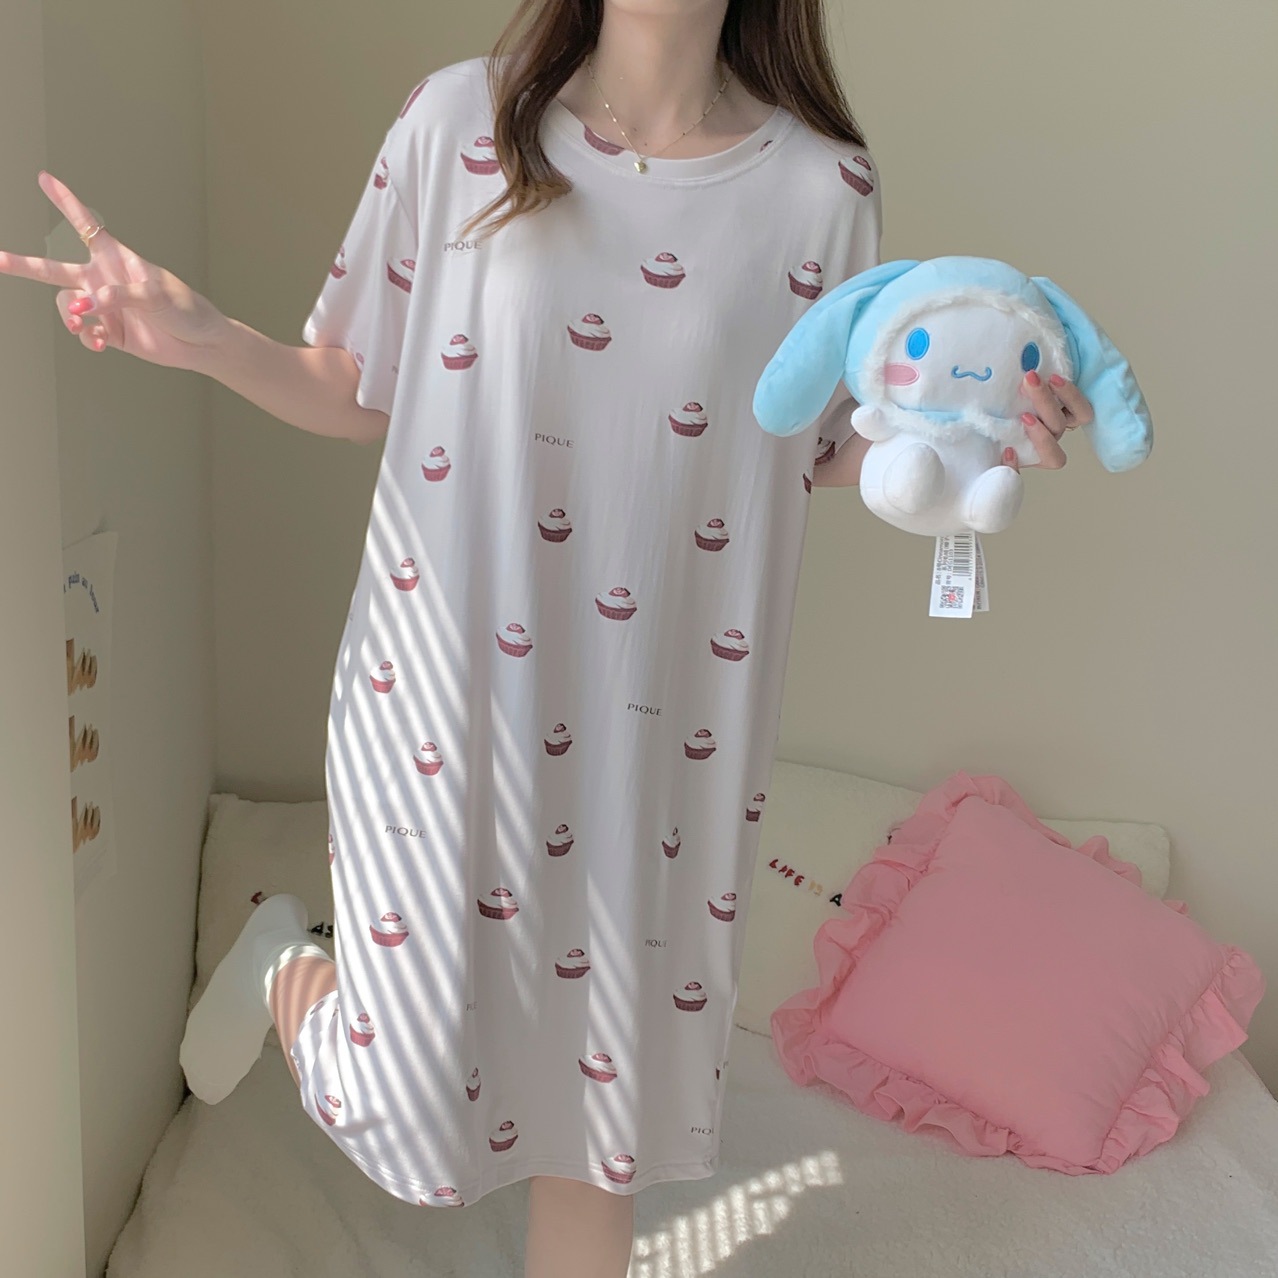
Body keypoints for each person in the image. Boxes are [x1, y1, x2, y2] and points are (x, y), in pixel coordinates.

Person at [0, 1, 1083, 1273]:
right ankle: (290, 966)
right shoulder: (459, 121)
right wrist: (206, 341)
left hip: (667, 719)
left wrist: (977, 439)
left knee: (595, 1128)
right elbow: (358, 380)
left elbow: (815, 443)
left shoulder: (821, 189)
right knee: (399, 1093)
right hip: (440, 681)